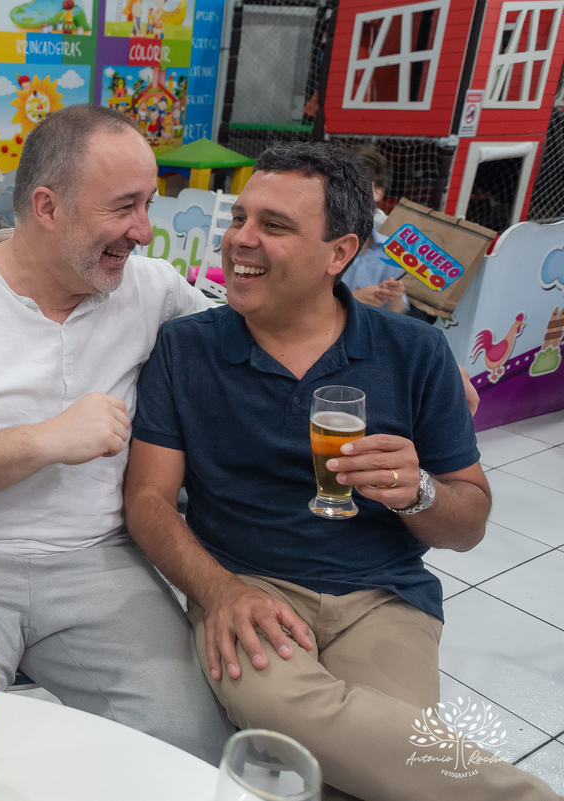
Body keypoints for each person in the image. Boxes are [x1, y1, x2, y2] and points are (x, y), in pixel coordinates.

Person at [124, 142, 557, 801]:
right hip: (250, 585)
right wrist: (219, 592)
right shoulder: (187, 349)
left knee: (368, 770)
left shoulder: (415, 352)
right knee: (326, 728)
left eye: (274, 225)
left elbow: (468, 523)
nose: (240, 239)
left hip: (384, 596)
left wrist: (420, 492)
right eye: (239, 218)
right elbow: (148, 500)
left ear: (339, 253)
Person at [0, 104, 232, 763]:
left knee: (195, 744)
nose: (144, 231)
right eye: (124, 206)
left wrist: (374, 339)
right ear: (47, 207)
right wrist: (44, 440)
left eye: (148, 204)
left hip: (99, 556)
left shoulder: (151, 289)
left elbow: (240, 347)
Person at [340, 147, 406, 313]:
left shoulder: (392, 250)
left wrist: (395, 297)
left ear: (378, 191)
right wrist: (352, 298)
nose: (354, 194)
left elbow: (397, 313)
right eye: (346, 187)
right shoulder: (321, 243)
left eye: (362, 186)